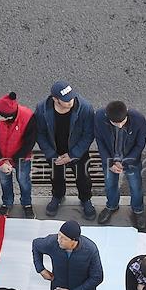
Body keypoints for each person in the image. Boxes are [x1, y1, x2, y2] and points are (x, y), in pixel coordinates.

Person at [35, 81, 96, 219]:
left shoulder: (85, 108)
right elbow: (40, 133)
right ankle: (57, 196)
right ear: (55, 99)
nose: (71, 102)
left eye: (72, 98)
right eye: (66, 100)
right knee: (56, 177)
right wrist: (51, 154)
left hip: (78, 152)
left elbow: (88, 134)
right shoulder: (42, 109)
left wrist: (73, 154)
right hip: (55, 152)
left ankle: (86, 199)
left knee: (83, 178)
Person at [93, 100, 146, 229]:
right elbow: (100, 141)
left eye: (122, 122)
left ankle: (138, 209)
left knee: (136, 186)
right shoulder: (99, 117)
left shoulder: (138, 119)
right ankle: (112, 206)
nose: (119, 125)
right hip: (110, 159)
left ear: (127, 113)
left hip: (131, 159)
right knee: (110, 184)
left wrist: (125, 162)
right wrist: (109, 162)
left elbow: (140, 144)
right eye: (115, 123)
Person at [0, 91, 36, 217]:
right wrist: (0, 161)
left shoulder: (28, 117)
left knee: (24, 181)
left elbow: (29, 142)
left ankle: (27, 203)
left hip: (22, 157)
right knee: (4, 182)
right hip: (1, 157)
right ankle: (7, 203)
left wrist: (14, 160)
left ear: (9, 117)